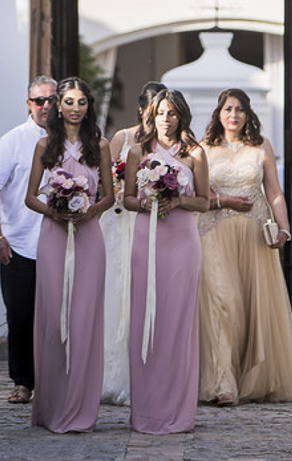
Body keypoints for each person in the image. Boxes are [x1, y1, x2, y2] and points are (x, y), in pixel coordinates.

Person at [197, 87, 292, 405]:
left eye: (240, 109)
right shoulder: (204, 149)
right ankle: (223, 383)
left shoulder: (261, 147)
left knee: (249, 308)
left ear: (248, 114)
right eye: (228, 109)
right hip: (213, 234)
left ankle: (251, 378)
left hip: (253, 237)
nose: (233, 115)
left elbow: (274, 192)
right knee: (223, 304)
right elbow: (198, 197)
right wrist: (224, 201)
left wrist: (284, 229)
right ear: (218, 114)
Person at [24, 77, 114, 432]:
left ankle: (80, 410)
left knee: (83, 322)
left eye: (81, 102)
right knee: (52, 320)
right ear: (57, 106)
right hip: (54, 236)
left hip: (89, 236)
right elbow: (30, 196)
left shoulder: (101, 145)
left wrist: (92, 211)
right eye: (69, 102)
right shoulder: (44, 145)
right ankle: (51, 407)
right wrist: (54, 211)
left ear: (88, 106)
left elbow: (109, 194)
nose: (75, 108)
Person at [124, 87, 209, 434]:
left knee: (178, 324)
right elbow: (127, 198)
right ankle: (146, 410)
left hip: (182, 243)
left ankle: (178, 410)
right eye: (161, 112)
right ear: (151, 115)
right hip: (147, 240)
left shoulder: (195, 154)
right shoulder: (137, 152)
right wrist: (148, 203)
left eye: (172, 113)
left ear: (181, 116)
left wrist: (177, 201)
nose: (166, 119)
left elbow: (204, 201)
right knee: (147, 319)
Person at [0, 75, 57, 404]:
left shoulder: (71, 142)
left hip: (61, 245)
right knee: (20, 317)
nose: (46, 106)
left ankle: (56, 384)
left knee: (58, 318)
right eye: (39, 100)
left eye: (52, 100)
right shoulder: (13, 141)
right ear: (29, 104)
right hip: (20, 244)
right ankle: (22, 382)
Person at [99, 80, 166, 405]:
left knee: (149, 294)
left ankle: (148, 376)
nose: (156, 118)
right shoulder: (122, 138)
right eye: (151, 111)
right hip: (119, 223)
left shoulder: (168, 145)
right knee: (117, 292)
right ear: (141, 110)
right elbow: (103, 182)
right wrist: (119, 178)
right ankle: (113, 375)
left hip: (153, 223)